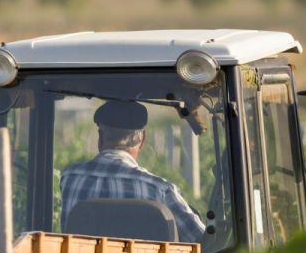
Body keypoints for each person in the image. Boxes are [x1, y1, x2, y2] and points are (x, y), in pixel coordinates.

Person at [60, 100, 206, 243]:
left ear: (101, 137)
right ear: (142, 139)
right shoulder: (160, 190)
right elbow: (202, 240)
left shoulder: (70, 178)